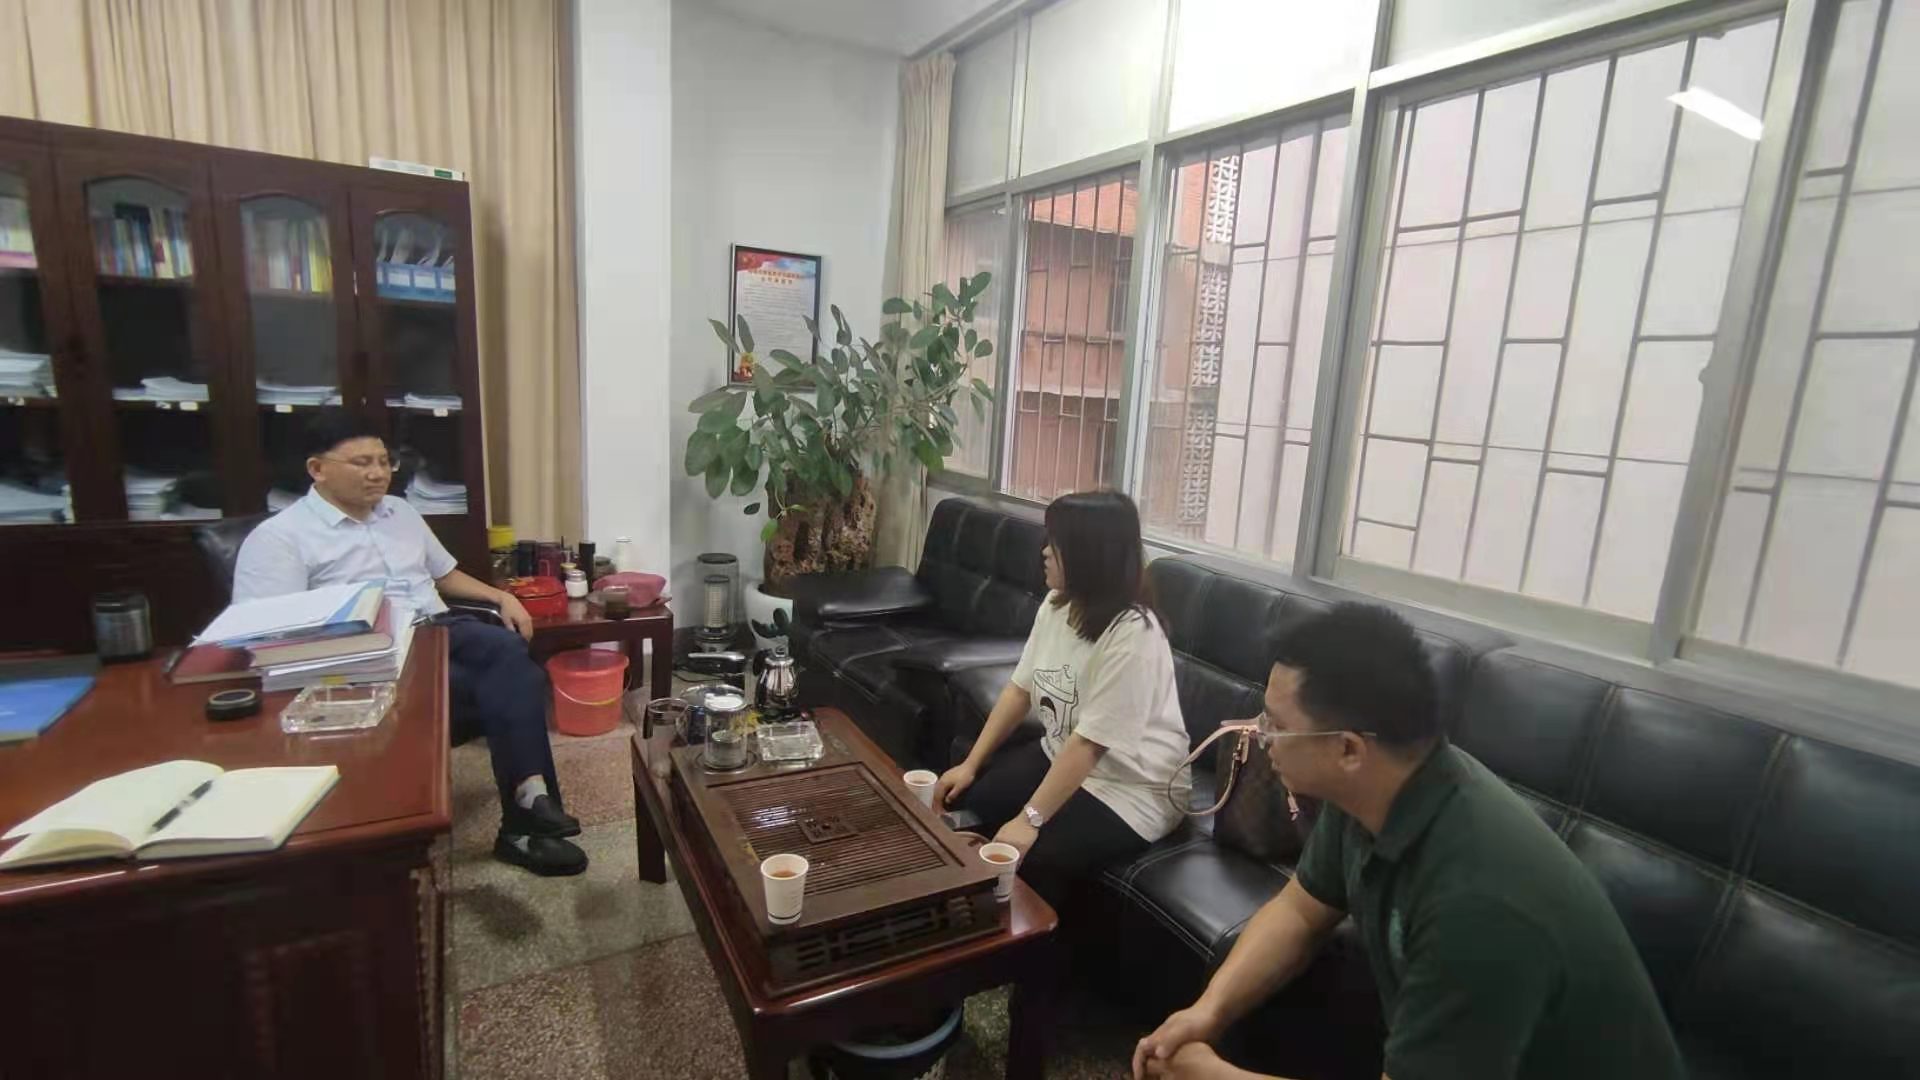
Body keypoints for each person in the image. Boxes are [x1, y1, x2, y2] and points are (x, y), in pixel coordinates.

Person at [1132, 603, 1685, 1080]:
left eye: (1276, 725)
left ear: (1349, 749)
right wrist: (1208, 1012)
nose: (1261, 736)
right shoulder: (1374, 788)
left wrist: (1212, 1074)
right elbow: (1300, 911)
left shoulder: (1479, 903)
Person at [233, 410, 587, 876]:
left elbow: (444, 574)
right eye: (361, 462)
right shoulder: (279, 538)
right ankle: (527, 824)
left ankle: (531, 802)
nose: (378, 473)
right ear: (317, 469)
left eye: (384, 461)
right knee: (508, 682)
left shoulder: (401, 512)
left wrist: (501, 596)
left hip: (438, 627)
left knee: (508, 651)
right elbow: (266, 633)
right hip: (366, 656)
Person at [933, 489, 1190, 910]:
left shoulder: (1134, 635)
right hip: (1063, 752)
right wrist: (970, 763)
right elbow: (1019, 690)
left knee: (1038, 857)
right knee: (979, 801)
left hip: (1133, 788)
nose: (1045, 552)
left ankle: (1021, 947)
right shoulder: (1056, 604)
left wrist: (1029, 820)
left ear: (1090, 556)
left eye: (1056, 544)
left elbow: (1090, 743)